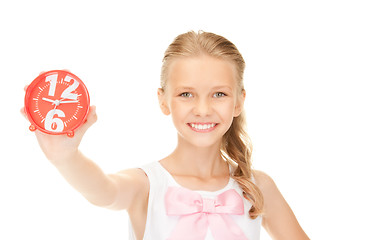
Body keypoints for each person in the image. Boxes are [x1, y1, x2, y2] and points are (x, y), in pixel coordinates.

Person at [22, 31, 309, 240]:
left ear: (238, 101)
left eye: (219, 94)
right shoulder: (146, 185)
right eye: (186, 94)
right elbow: (104, 191)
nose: (203, 109)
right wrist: (65, 157)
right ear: (163, 100)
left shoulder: (258, 187)